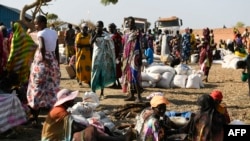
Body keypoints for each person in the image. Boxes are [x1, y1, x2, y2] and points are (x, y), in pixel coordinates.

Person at [42, 88, 132, 141]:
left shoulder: (59, 109)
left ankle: (119, 139)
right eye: (71, 99)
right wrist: (91, 127)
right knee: (91, 131)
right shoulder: (60, 112)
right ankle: (120, 139)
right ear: (66, 101)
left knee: (93, 130)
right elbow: (74, 127)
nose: (73, 100)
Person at [26, 15, 60, 124]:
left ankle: (34, 117)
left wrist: (44, 59)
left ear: (42, 23)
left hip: (42, 63)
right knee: (49, 89)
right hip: (53, 62)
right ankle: (51, 117)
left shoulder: (41, 34)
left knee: (36, 88)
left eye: (36, 23)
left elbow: (41, 47)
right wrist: (56, 63)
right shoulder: (54, 33)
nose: (35, 26)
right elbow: (56, 49)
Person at [90, 21, 116, 99]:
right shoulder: (94, 33)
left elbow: (111, 45)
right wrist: (96, 36)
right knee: (94, 73)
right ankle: (93, 91)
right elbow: (90, 43)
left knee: (103, 75)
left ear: (102, 27)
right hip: (96, 57)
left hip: (104, 58)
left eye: (100, 26)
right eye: (97, 26)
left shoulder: (106, 35)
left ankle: (102, 92)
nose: (99, 28)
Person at [6, 22, 37, 86]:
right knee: (24, 75)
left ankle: (18, 88)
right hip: (25, 60)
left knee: (17, 76)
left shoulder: (15, 38)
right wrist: (29, 55)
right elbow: (33, 46)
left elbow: (13, 51)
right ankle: (24, 88)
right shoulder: (26, 36)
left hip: (17, 61)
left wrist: (9, 62)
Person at [121, 16, 143, 103]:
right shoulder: (126, 32)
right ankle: (131, 95)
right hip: (126, 56)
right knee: (128, 75)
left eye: (132, 22)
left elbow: (140, 44)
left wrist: (141, 56)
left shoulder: (137, 32)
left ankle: (139, 96)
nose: (130, 23)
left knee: (135, 75)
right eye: (129, 22)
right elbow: (124, 44)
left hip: (135, 56)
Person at [108, 23, 123, 89]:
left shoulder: (117, 36)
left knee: (116, 69)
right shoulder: (109, 35)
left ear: (114, 28)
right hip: (110, 55)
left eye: (111, 27)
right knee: (112, 69)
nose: (109, 29)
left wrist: (120, 55)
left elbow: (120, 45)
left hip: (116, 55)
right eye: (109, 28)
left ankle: (119, 84)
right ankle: (114, 83)